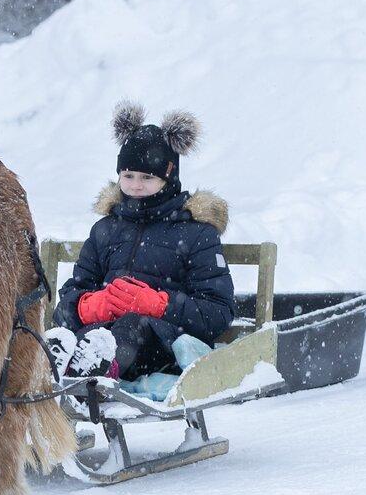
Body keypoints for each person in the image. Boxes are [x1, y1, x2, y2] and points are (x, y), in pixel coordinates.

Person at [49, 102, 236, 381]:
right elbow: (66, 305)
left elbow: (219, 313)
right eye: (128, 176)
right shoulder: (106, 230)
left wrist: (160, 305)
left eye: (147, 177)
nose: (136, 185)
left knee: (132, 326)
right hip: (103, 335)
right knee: (89, 333)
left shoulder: (196, 233)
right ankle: (61, 373)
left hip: (163, 344)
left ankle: (97, 377)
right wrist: (86, 305)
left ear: (168, 178)